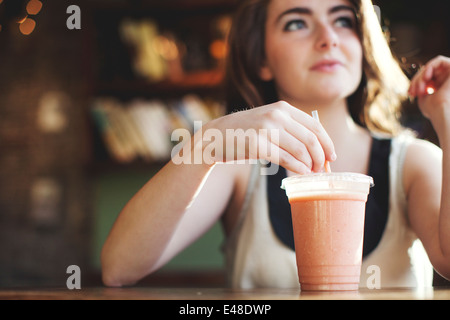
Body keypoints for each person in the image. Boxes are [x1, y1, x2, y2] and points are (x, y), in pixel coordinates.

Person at [101, 0, 450, 289]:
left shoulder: (413, 162)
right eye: (296, 23)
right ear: (261, 60)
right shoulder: (236, 168)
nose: (328, 38)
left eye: (343, 20)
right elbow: (119, 267)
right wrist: (208, 140)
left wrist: (447, 118)